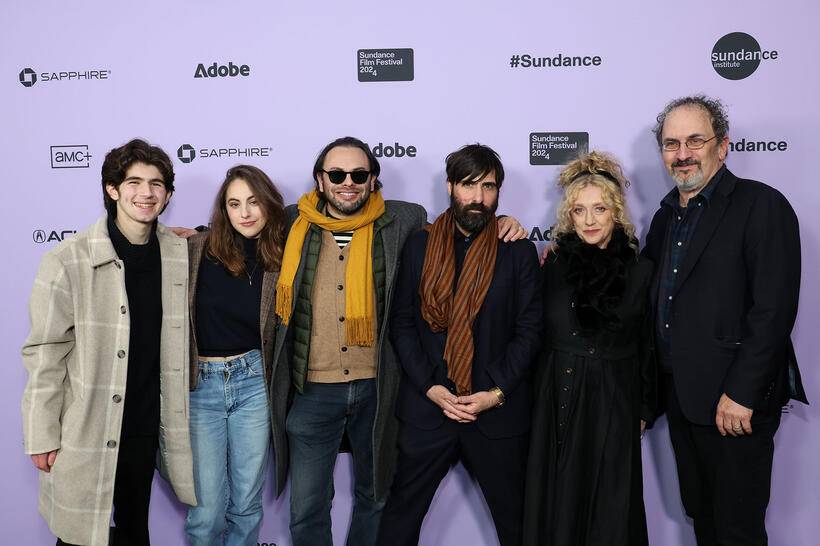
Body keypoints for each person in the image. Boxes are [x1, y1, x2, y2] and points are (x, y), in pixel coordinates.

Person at [272, 136, 527, 546]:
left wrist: (503, 221)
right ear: (320, 180)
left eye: (359, 174)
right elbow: (237, 235)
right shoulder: (288, 222)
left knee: (375, 502)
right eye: (336, 174)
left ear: (374, 179)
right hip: (313, 391)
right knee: (306, 511)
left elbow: (467, 227)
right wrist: (186, 236)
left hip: (379, 390)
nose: (348, 182)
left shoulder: (403, 220)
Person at [643, 95, 806, 546]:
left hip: (734, 404)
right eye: (671, 144)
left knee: (737, 530)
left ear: (723, 146)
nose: (682, 154)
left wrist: (742, 393)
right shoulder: (664, 217)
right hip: (681, 398)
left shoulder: (762, 206)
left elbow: (774, 311)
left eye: (695, 140)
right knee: (704, 520)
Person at [21, 138, 196, 545]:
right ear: (112, 189)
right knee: (80, 534)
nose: (146, 193)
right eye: (134, 182)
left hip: (147, 424)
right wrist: (41, 432)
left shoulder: (179, 253)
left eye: (157, 184)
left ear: (168, 194)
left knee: (135, 530)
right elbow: (45, 351)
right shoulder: (67, 259)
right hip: (86, 424)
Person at [376, 144, 542, 546]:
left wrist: (494, 393)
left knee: (518, 528)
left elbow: (530, 331)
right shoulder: (419, 246)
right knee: (398, 525)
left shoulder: (517, 249)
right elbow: (401, 324)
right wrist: (431, 387)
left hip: (496, 414)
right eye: (468, 185)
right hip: (429, 409)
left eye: (488, 187)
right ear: (450, 186)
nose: (479, 198)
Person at [522, 152, 655, 546]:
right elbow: (536, 333)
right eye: (580, 211)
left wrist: (644, 408)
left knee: (612, 503)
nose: (590, 220)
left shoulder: (641, 271)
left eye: (599, 208)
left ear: (615, 211)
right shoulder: (552, 265)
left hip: (615, 397)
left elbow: (647, 343)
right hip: (556, 395)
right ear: (569, 216)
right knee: (557, 498)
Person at [184, 165, 288, 544]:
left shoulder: (284, 254)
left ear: (269, 204)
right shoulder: (196, 250)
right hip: (201, 388)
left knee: (246, 505)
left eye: (253, 201)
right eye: (234, 204)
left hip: (254, 384)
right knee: (206, 511)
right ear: (223, 211)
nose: (244, 212)